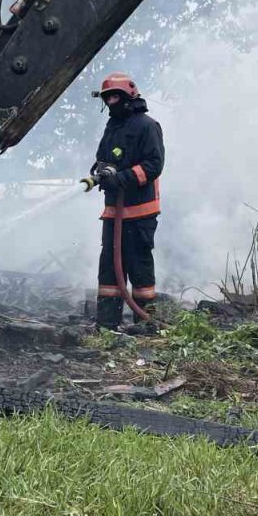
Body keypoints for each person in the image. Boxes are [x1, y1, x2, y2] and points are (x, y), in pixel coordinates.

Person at [88, 72, 164, 330]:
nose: (111, 103)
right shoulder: (113, 126)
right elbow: (104, 156)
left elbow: (153, 165)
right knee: (109, 266)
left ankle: (146, 323)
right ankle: (107, 323)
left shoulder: (147, 126)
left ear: (129, 96)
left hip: (140, 212)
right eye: (107, 98)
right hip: (114, 213)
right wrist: (99, 170)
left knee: (139, 267)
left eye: (115, 97)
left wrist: (120, 179)